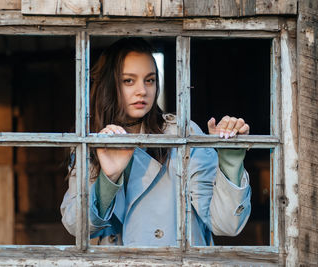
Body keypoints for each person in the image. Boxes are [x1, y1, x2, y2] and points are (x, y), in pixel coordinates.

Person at [60, 38, 251, 246]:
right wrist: (109, 178)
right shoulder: (89, 141)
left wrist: (230, 162)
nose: (142, 90)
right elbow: (75, 226)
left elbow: (225, 225)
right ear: (109, 84)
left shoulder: (181, 132)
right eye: (129, 81)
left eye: (149, 80)